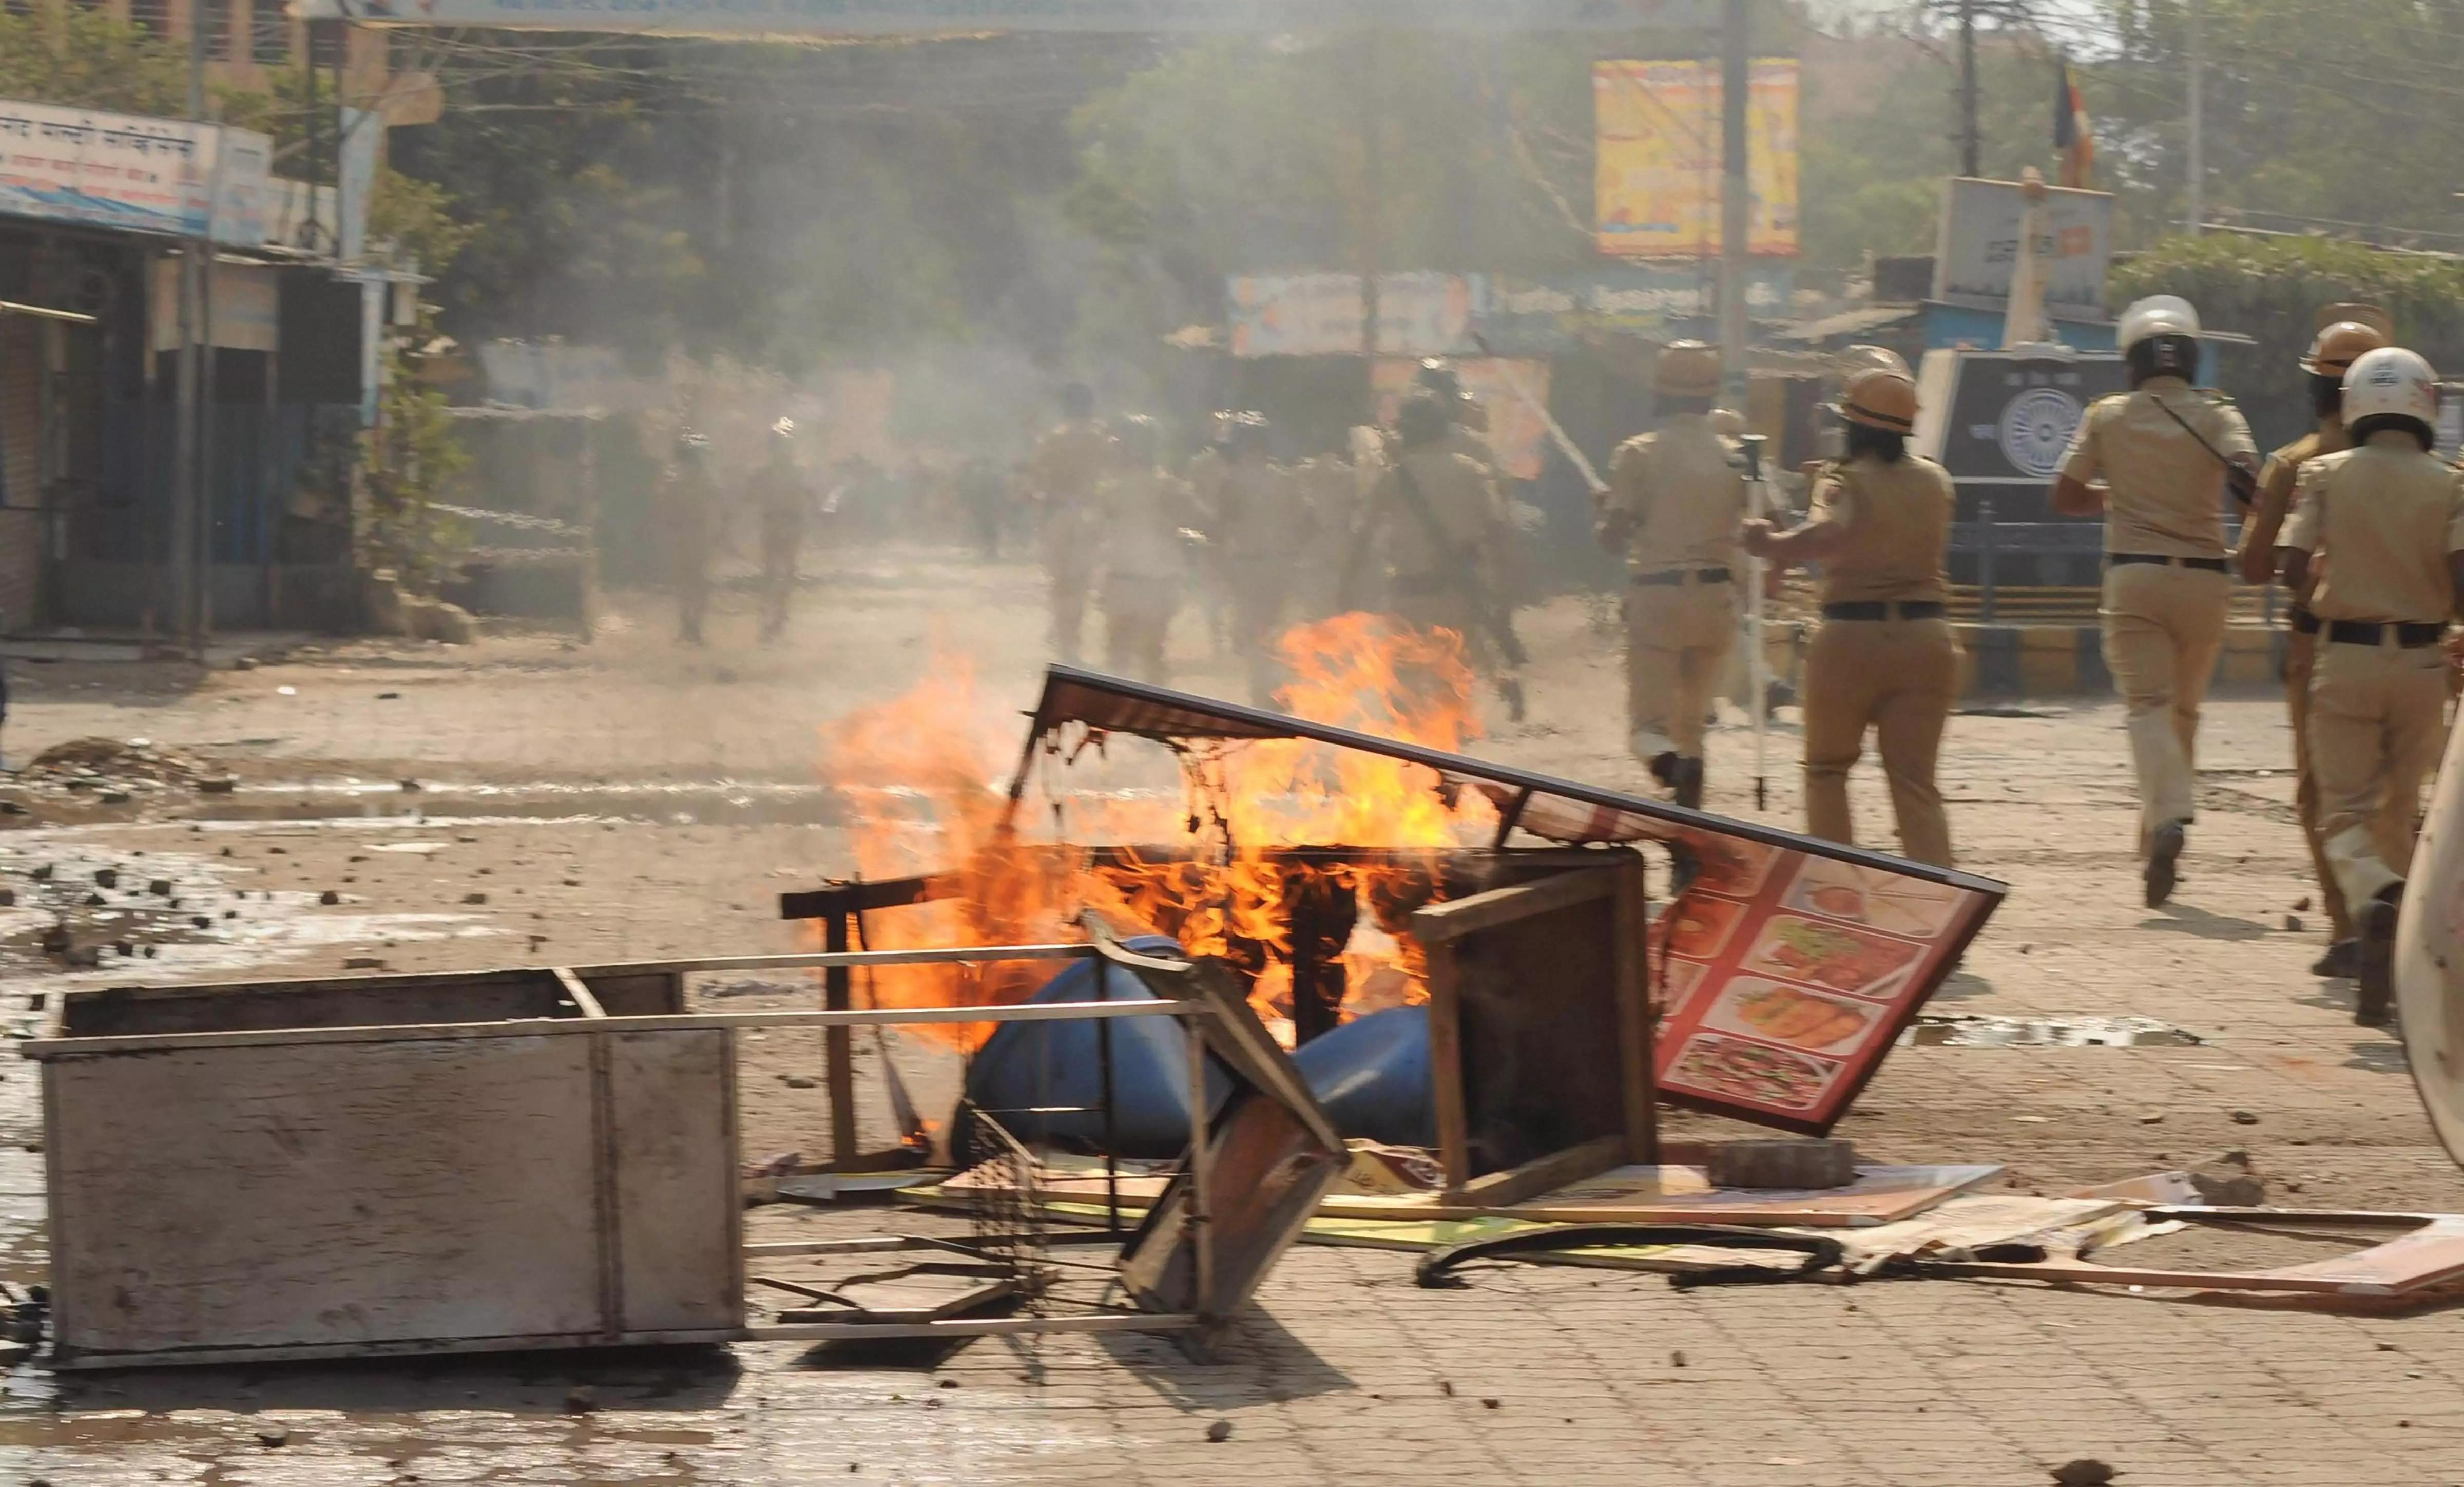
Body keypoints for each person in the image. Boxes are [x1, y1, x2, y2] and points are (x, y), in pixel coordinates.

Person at [2276, 347, 2464, 1025]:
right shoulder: (2451, 483)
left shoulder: (2325, 473)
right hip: (2422, 666)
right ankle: (2411, 963)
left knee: (2342, 816)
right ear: (2425, 402)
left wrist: (2327, 573)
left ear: (2354, 401)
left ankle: (2379, 895)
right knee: (2399, 810)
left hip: (2345, 664)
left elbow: (2292, 568)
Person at [2053, 295, 2259, 907]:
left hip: (2135, 580)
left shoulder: (2107, 417)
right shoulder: (2220, 414)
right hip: (2205, 581)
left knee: (2148, 706)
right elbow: (2250, 477)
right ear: (2191, 360)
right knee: (2183, 715)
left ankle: (2167, 819)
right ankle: (2156, 845)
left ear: (2132, 364)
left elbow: (2065, 494)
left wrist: (2111, 500)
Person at [1743, 368, 1959, 865]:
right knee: (1914, 780)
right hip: (1928, 639)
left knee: (1826, 770)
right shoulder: (1936, 480)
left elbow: (1827, 534)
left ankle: (1836, 889)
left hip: (1850, 640)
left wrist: (1771, 544)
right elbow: (1892, 505)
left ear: (1853, 426)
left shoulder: (1840, 481)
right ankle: (1939, 898)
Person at [2235, 311, 2392, 977]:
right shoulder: (2440, 470)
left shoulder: (2295, 466)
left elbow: (2253, 566)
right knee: (2394, 794)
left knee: (2323, 794)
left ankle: (2349, 923)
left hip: (2320, 647)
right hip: (2410, 652)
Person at [1599, 340, 1745, 810]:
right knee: (1692, 728)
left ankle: (1671, 768)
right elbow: (1771, 525)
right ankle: (1690, 830)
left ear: (1661, 391)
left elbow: (1612, 539)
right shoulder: (1738, 457)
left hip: (1658, 600)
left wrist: (1607, 513)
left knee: (1647, 731)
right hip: (1716, 602)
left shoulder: (1638, 453)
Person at [1345, 392, 1518, 706]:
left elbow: (1363, 536)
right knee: (1452, 695)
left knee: (1404, 697)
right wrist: (1504, 600)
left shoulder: (1394, 477)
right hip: (1458, 599)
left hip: (1409, 600)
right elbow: (1499, 536)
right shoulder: (1473, 472)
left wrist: (1345, 587)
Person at [1207, 413, 1317, 707]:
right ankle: (1279, 692)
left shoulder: (1232, 482)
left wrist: (1220, 566)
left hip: (1248, 565)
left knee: (1255, 632)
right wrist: (1293, 552)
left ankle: (1262, 697)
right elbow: (1310, 522)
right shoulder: (1285, 479)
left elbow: (1219, 529)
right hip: (1280, 565)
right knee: (1278, 629)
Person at [1093, 415, 1193, 683]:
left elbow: (1095, 533)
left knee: (1119, 656)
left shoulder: (1110, 490)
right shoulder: (1170, 487)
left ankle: (1113, 716)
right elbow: (1195, 519)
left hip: (1124, 579)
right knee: (1152, 656)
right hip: (1159, 581)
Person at [1025, 383, 1112, 664]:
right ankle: (1071, 640)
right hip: (1091, 516)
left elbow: (1036, 482)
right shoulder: (1103, 440)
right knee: (1082, 582)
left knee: (1060, 583)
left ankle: (1066, 643)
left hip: (1059, 515)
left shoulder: (1051, 441)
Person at [746, 418, 816, 643]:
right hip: (773, 523)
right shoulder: (767, 474)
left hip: (790, 524)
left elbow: (812, 498)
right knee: (771, 573)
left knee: (785, 573)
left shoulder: (797, 473)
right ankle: (769, 618)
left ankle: (778, 617)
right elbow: (748, 498)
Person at [656, 429, 721, 645]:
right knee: (694, 582)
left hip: (689, 534)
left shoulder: (676, 480)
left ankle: (690, 626)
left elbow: (664, 509)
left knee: (689, 582)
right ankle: (692, 626)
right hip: (693, 534)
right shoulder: (700, 480)